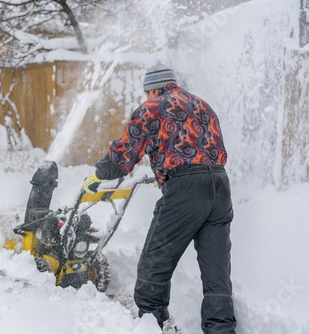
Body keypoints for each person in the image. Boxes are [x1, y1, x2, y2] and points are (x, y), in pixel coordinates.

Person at [82, 64, 236, 333]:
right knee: (216, 273)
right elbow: (203, 149)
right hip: (220, 187)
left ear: (152, 89)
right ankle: (221, 329)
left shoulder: (152, 107)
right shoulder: (202, 105)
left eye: (146, 93)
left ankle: (151, 324)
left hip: (186, 190)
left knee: (155, 261)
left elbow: (123, 157)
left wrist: (100, 172)